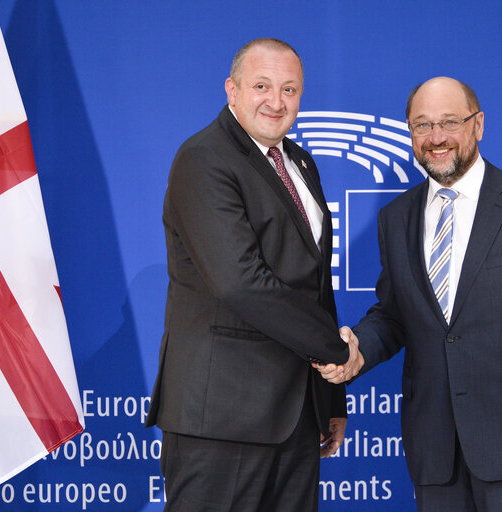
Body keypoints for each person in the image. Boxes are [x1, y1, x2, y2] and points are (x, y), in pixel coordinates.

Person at [316, 76, 502, 511]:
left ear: (478, 125)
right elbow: (396, 315)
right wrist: (357, 350)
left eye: (450, 122)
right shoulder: (396, 218)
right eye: (422, 125)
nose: (436, 138)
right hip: (436, 451)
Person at [146, 38, 363, 512]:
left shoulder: (299, 162)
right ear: (232, 90)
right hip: (223, 418)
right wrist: (336, 351)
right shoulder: (204, 158)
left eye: (290, 89)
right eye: (262, 86)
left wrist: (331, 397)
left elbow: (315, 284)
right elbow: (240, 281)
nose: (276, 101)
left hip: (296, 415)